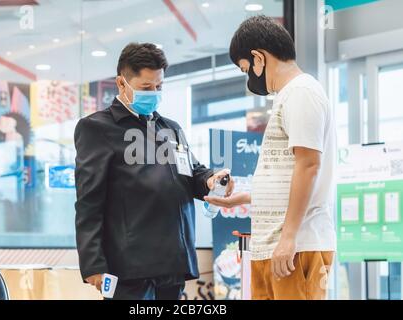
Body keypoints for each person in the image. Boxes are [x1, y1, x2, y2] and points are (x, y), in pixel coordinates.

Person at [74, 42, 233, 300]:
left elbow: (192, 174)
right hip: (129, 267)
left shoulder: (169, 128)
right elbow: (88, 201)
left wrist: (211, 180)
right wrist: (93, 263)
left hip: (174, 261)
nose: (154, 93)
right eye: (146, 88)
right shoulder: (97, 128)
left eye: (159, 87)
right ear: (121, 83)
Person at [205, 16, 336, 300]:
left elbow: (309, 165)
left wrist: (288, 238)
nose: (249, 77)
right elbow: (290, 175)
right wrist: (241, 198)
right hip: (275, 248)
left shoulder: (302, 92)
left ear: (258, 58)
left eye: (245, 69)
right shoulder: (289, 95)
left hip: (294, 247)